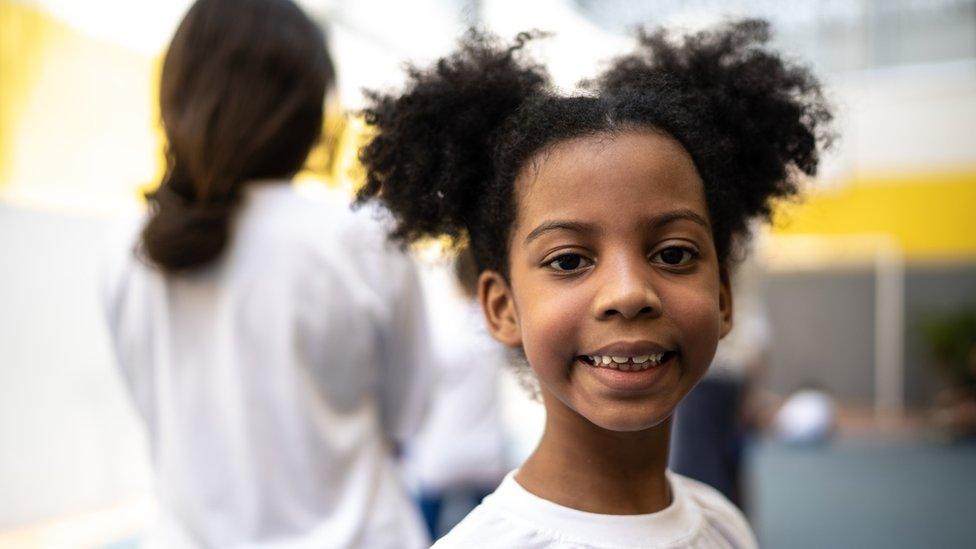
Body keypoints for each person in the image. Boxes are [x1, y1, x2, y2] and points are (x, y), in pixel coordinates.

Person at [357, 19, 832, 548]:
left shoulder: (725, 525)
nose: (629, 293)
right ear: (502, 306)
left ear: (723, 296)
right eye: (567, 261)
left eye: (673, 253)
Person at [101, 0, 431, 547]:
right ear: (305, 108)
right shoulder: (363, 240)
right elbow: (408, 413)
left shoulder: (126, 246)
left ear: (176, 92)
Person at [402, 249, 509, 540]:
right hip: (487, 451)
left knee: (425, 530)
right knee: (494, 533)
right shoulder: (498, 327)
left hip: (440, 451)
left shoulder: (443, 327)